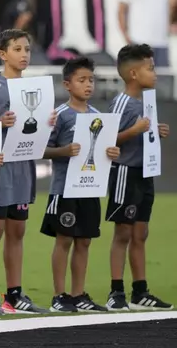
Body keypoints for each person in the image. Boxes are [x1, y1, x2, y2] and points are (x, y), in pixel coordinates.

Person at [0, 29, 56, 315]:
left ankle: (15, 295)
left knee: (17, 231)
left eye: (27, 49)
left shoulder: (33, 89)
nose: (24, 55)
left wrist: (48, 122)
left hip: (23, 167)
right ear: (2, 54)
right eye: (17, 49)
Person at [40, 57, 119, 313]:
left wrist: (111, 153)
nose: (88, 85)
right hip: (64, 188)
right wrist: (64, 150)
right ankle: (58, 295)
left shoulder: (98, 117)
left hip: (89, 188)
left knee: (84, 240)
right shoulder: (60, 115)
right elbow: (41, 150)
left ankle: (78, 294)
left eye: (91, 80)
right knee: (64, 240)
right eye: (81, 80)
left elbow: (101, 152)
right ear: (67, 84)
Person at [105, 44, 173, 311]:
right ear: (133, 73)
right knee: (122, 232)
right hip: (125, 172)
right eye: (150, 68)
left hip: (145, 173)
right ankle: (116, 291)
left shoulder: (146, 103)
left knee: (141, 233)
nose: (154, 73)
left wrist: (155, 130)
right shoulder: (121, 102)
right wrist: (135, 130)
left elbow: (142, 133)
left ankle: (140, 292)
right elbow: (107, 139)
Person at [118, 0, 171, 67]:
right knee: (140, 80)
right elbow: (122, 10)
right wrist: (126, 35)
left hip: (162, 42)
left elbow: (170, 7)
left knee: (163, 81)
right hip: (139, 42)